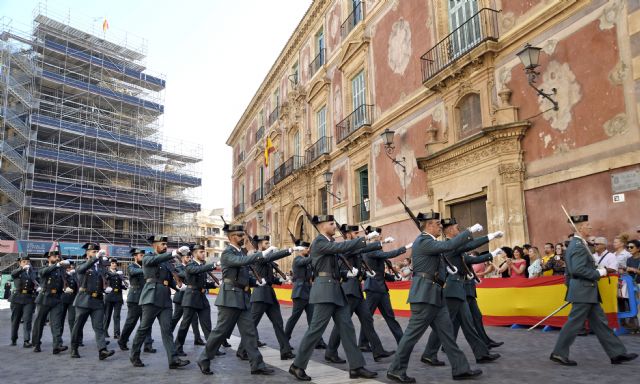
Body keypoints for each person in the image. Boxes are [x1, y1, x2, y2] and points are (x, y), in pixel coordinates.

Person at [386, 211, 484, 383]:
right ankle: (395, 369)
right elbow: (447, 247)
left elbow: (446, 252)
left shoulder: (429, 241)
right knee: (411, 336)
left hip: (436, 295)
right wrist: (469, 232)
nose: (441, 226)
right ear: (429, 225)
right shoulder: (424, 241)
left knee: (447, 335)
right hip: (425, 296)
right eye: (438, 224)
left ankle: (461, 368)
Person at [289, 215, 379, 381]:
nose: (334, 226)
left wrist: (348, 272)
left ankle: (356, 366)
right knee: (315, 330)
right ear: (322, 225)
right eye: (331, 223)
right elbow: (343, 247)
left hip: (335, 290)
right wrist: (365, 239)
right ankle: (297, 365)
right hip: (325, 291)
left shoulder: (328, 243)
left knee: (347, 328)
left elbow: (335, 265)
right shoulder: (319, 243)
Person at [550, 214, 638, 366]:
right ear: (580, 228)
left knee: (601, 324)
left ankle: (617, 353)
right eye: (587, 225)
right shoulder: (577, 246)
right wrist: (600, 272)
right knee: (574, 323)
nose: (590, 227)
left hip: (586, 291)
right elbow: (578, 269)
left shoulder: (580, 244)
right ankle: (559, 353)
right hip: (583, 291)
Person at [420, 217, 502, 367]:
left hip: (458, 289)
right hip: (452, 290)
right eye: (457, 228)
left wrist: (492, 251)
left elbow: (468, 258)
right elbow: (471, 244)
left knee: (467, 324)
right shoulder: (448, 245)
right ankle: (429, 353)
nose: (459, 230)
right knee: (444, 325)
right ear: (450, 230)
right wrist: (490, 236)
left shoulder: (453, 246)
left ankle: (481, 353)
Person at [196, 223, 276, 376]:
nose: (242, 238)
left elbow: (243, 276)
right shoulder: (227, 253)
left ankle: (257, 364)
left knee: (250, 332)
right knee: (220, 332)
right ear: (232, 237)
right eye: (240, 236)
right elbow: (241, 263)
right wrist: (263, 254)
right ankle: (204, 359)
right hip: (230, 297)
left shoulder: (240, 254)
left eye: (243, 235)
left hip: (243, 297)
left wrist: (255, 282)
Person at [323, 224, 394, 363]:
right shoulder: (346, 248)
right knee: (342, 323)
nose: (358, 235)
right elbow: (357, 250)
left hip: (357, 291)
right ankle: (331, 351)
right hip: (349, 291)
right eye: (355, 233)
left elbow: (360, 258)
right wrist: (380, 242)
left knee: (367, 320)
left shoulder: (354, 248)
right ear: (348, 235)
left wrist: (365, 273)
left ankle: (377, 350)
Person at [129, 235, 190, 369]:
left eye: (165, 244)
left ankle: (173, 359)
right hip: (151, 297)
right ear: (154, 245)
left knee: (167, 330)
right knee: (144, 328)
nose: (165, 246)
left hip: (165, 299)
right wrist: (174, 253)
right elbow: (156, 260)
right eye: (162, 244)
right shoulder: (148, 257)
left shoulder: (167, 263)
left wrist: (178, 287)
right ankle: (134, 355)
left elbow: (168, 280)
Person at [236, 235, 293, 360]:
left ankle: (285, 350)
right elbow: (268, 258)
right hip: (260, 295)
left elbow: (270, 279)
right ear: (261, 245)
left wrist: (282, 280)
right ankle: (241, 350)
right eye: (267, 243)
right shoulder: (259, 258)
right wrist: (289, 250)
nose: (269, 246)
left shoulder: (267, 260)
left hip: (269, 295)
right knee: (252, 324)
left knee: (278, 323)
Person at [359, 225, 407, 349]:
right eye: (378, 235)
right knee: (368, 318)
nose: (381, 236)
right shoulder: (370, 250)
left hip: (381, 288)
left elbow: (381, 273)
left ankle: (402, 342)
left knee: (390, 317)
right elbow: (390, 254)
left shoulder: (377, 251)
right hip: (373, 289)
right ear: (374, 237)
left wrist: (392, 278)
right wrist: (406, 247)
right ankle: (363, 343)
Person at [70, 243, 115, 360]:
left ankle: (102, 350)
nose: (96, 254)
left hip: (97, 300)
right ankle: (74, 347)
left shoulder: (100, 267)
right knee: (78, 326)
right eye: (93, 252)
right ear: (88, 253)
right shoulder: (82, 264)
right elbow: (80, 270)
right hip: (84, 300)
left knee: (99, 327)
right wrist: (95, 258)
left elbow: (104, 279)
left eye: (97, 252)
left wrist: (106, 289)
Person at [174, 244, 219, 355]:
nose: (203, 254)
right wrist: (213, 265)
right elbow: (196, 271)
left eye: (204, 252)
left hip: (202, 298)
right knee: (184, 326)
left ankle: (212, 349)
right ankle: (177, 348)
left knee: (207, 325)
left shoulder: (201, 266)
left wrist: (214, 285)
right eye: (200, 252)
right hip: (191, 298)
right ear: (194, 254)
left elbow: (203, 283)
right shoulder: (190, 265)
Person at [283, 240, 327, 349]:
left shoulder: (306, 260)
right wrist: (316, 254)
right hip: (300, 292)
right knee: (294, 318)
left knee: (313, 318)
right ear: (301, 249)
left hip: (308, 291)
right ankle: (284, 341)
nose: (308, 250)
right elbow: (305, 262)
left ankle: (318, 341)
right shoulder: (297, 259)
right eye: (307, 248)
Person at [31, 250, 69, 354]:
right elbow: (43, 273)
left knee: (56, 323)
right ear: (49, 258)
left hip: (57, 298)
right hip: (45, 298)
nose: (57, 257)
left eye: (58, 256)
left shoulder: (60, 269)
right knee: (40, 322)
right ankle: (37, 343)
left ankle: (57, 345)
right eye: (54, 256)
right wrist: (57, 264)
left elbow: (64, 280)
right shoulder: (44, 268)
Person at [118, 248, 154, 353]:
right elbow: (134, 272)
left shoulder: (145, 267)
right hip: (134, 299)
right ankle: (122, 340)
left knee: (147, 323)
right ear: (135, 256)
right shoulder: (131, 266)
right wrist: (147, 269)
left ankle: (148, 345)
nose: (143, 257)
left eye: (144, 255)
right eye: (141, 255)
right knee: (131, 322)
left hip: (146, 297)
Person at [170, 246, 204, 355]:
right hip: (181, 297)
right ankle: (168, 334)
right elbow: (183, 275)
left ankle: (197, 338)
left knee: (194, 320)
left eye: (189, 257)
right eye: (186, 257)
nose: (188, 259)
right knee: (177, 318)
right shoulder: (178, 267)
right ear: (182, 258)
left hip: (191, 297)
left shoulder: (191, 266)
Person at [10, 256, 38, 348]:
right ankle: (14, 338)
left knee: (27, 320)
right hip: (17, 298)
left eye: (28, 262)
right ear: (20, 263)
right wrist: (22, 269)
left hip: (29, 298)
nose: (26, 263)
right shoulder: (17, 271)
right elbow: (13, 274)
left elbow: (36, 280)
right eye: (24, 261)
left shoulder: (32, 272)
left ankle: (26, 340)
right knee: (16, 320)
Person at [60, 260, 81, 347]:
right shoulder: (61, 274)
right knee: (60, 321)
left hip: (72, 300)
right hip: (62, 300)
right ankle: (58, 341)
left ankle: (75, 340)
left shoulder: (75, 275)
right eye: (68, 267)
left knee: (73, 321)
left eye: (72, 267)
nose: (70, 268)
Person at [103, 258, 125, 339]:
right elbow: (105, 280)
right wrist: (116, 275)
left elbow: (122, 284)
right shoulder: (106, 272)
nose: (114, 264)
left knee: (117, 316)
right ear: (110, 264)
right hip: (109, 296)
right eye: (112, 263)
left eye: (115, 263)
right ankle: (104, 331)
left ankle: (117, 333)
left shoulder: (120, 272)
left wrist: (124, 285)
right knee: (107, 315)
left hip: (118, 297)